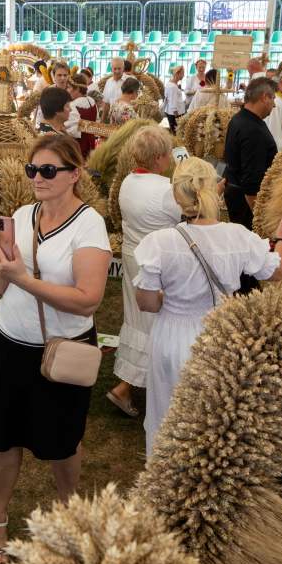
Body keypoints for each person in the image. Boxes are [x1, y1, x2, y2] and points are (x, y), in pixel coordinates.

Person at [0, 134, 111, 564]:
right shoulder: (22, 216)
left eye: (49, 170)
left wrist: (23, 278)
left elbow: (88, 299)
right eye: (33, 170)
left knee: (62, 443)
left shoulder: (89, 225)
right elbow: (3, 286)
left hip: (62, 350)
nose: (38, 178)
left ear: (73, 175)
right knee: (3, 439)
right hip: (10, 344)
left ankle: (71, 517)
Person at [134, 157, 282, 457]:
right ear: (216, 190)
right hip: (221, 334)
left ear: (176, 196)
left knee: (166, 416)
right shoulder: (236, 235)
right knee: (217, 420)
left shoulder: (159, 242)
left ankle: (164, 481)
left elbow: (146, 302)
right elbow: (275, 271)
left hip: (171, 335)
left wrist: (168, 301)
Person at [108, 125, 182, 418]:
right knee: (160, 323)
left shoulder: (128, 181)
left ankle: (126, 385)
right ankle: (156, 389)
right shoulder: (166, 190)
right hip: (158, 261)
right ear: (160, 158)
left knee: (137, 319)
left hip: (133, 256)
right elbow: (192, 216)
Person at [223, 77, 278, 294]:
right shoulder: (252, 129)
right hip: (245, 200)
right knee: (247, 248)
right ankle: (244, 292)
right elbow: (251, 182)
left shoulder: (242, 119)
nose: (274, 104)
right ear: (264, 97)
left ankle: (247, 287)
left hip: (236, 193)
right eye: (273, 98)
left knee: (243, 247)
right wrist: (260, 218)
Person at [64, 73, 99, 158]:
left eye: (69, 88)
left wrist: (61, 128)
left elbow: (74, 131)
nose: (67, 90)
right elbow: (97, 122)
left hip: (79, 147)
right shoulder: (91, 101)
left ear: (77, 90)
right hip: (91, 146)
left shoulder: (72, 106)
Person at [100, 57, 133, 122]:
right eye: (115, 69)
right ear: (111, 69)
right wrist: (103, 119)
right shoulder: (108, 82)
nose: (117, 71)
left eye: (119, 68)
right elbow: (106, 103)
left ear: (123, 68)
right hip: (112, 119)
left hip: (127, 120)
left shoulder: (130, 81)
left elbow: (136, 100)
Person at [163, 65, 186, 134]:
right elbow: (173, 104)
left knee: (174, 132)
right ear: (177, 74)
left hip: (171, 113)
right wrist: (177, 117)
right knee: (176, 133)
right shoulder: (173, 87)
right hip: (175, 114)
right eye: (182, 74)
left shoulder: (170, 83)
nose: (183, 76)